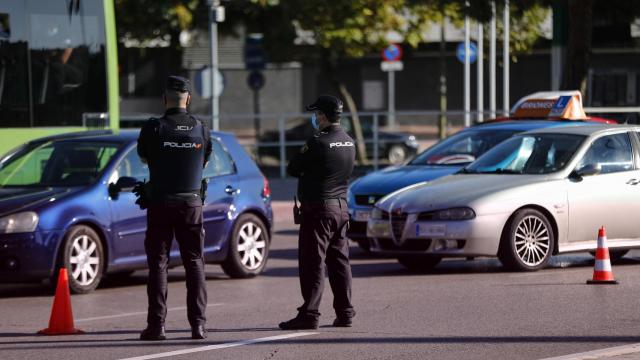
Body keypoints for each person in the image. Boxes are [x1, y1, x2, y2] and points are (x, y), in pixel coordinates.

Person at [137, 75, 212, 340]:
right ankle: (198, 326)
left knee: (158, 263)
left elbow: (144, 156)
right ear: (188, 98)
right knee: (195, 262)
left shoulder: (153, 127)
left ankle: (157, 326)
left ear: (163, 97)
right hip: (192, 204)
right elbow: (204, 161)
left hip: (161, 203)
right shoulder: (201, 128)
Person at [279, 95, 356, 330]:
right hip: (341, 209)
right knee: (340, 262)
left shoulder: (317, 142)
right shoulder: (349, 141)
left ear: (322, 115)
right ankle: (345, 313)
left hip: (319, 210)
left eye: (316, 113)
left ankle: (309, 314)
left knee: (313, 263)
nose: (315, 117)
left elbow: (293, 168)